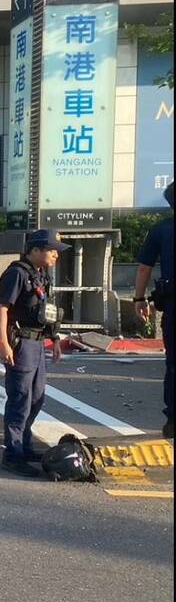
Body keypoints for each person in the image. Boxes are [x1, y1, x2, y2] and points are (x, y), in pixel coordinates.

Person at [0, 230, 70, 477]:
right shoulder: (16, 274)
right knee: (20, 400)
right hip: (22, 344)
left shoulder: (41, 275)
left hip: (37, 344)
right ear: (34, 250)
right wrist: (3, 343)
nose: (56, 254)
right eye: (51, 250)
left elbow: (47, 310)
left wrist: (55, 338)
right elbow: (2, 308)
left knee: (36, 399)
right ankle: (12, 455)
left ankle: (25, 446)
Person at [134, 180, 174, 439]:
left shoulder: (161, 229)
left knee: (173, 365)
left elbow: (144, 268)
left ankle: (172, 420)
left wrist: (139, 299)